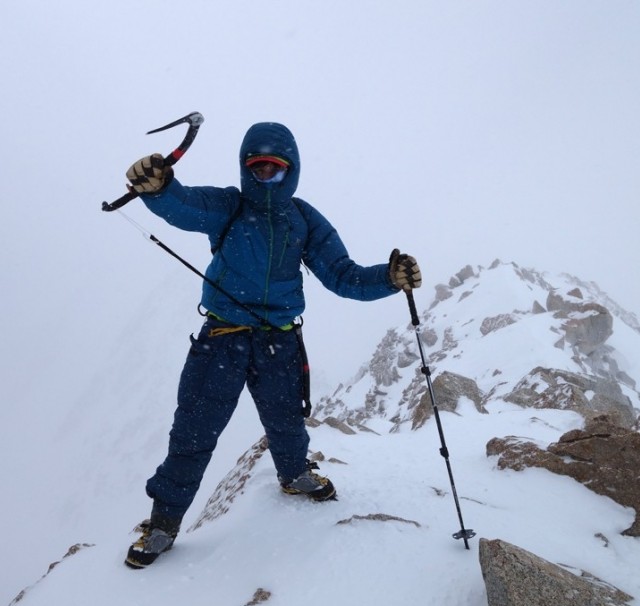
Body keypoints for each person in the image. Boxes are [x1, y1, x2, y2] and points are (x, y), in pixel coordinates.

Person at [123, 121, 422, 569]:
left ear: (292, 171)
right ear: (246, 169)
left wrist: (387, 277)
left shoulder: (302, 219)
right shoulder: (227, 205)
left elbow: (343, 275)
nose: (265, 175)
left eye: (275, 168)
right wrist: (159, 186)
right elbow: (182, 207)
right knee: (193, 432)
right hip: (221, 339)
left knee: (285, 421)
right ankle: (163, 523)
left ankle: (294, 474)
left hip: (278, 342)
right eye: (257, 167)